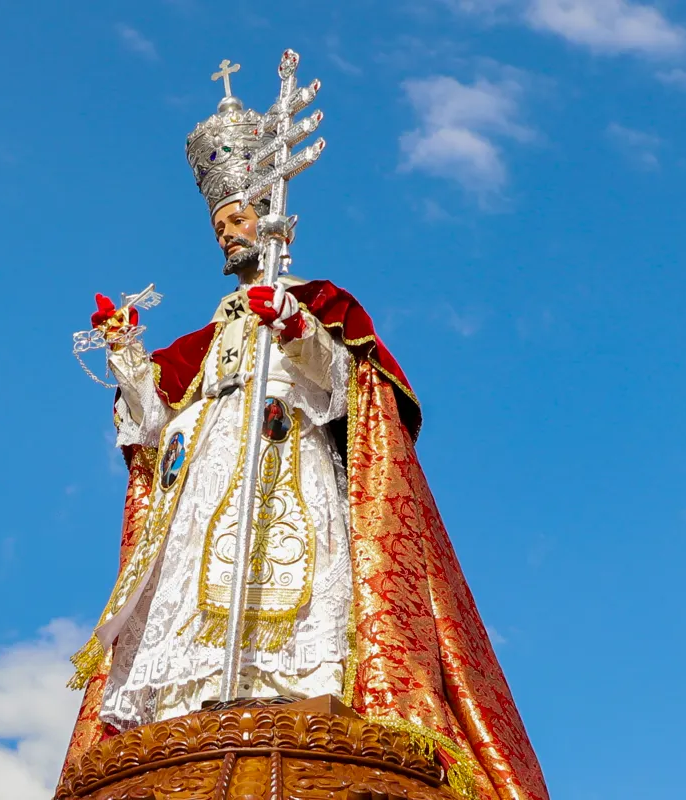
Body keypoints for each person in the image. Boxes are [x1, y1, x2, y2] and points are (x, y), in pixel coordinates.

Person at [62, 79, 549, 800]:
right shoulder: (207, 337)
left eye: (239, 217)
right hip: (210, 481)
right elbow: (154, 429)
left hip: (286, 462)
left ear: (270, 218)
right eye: (219, 222)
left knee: (288, 577)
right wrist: (130, 360)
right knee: (198, 583)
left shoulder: (319, 305)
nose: (228, 232)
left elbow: (350, 394)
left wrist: (292, 329)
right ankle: (193, 702)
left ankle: (292, 685)